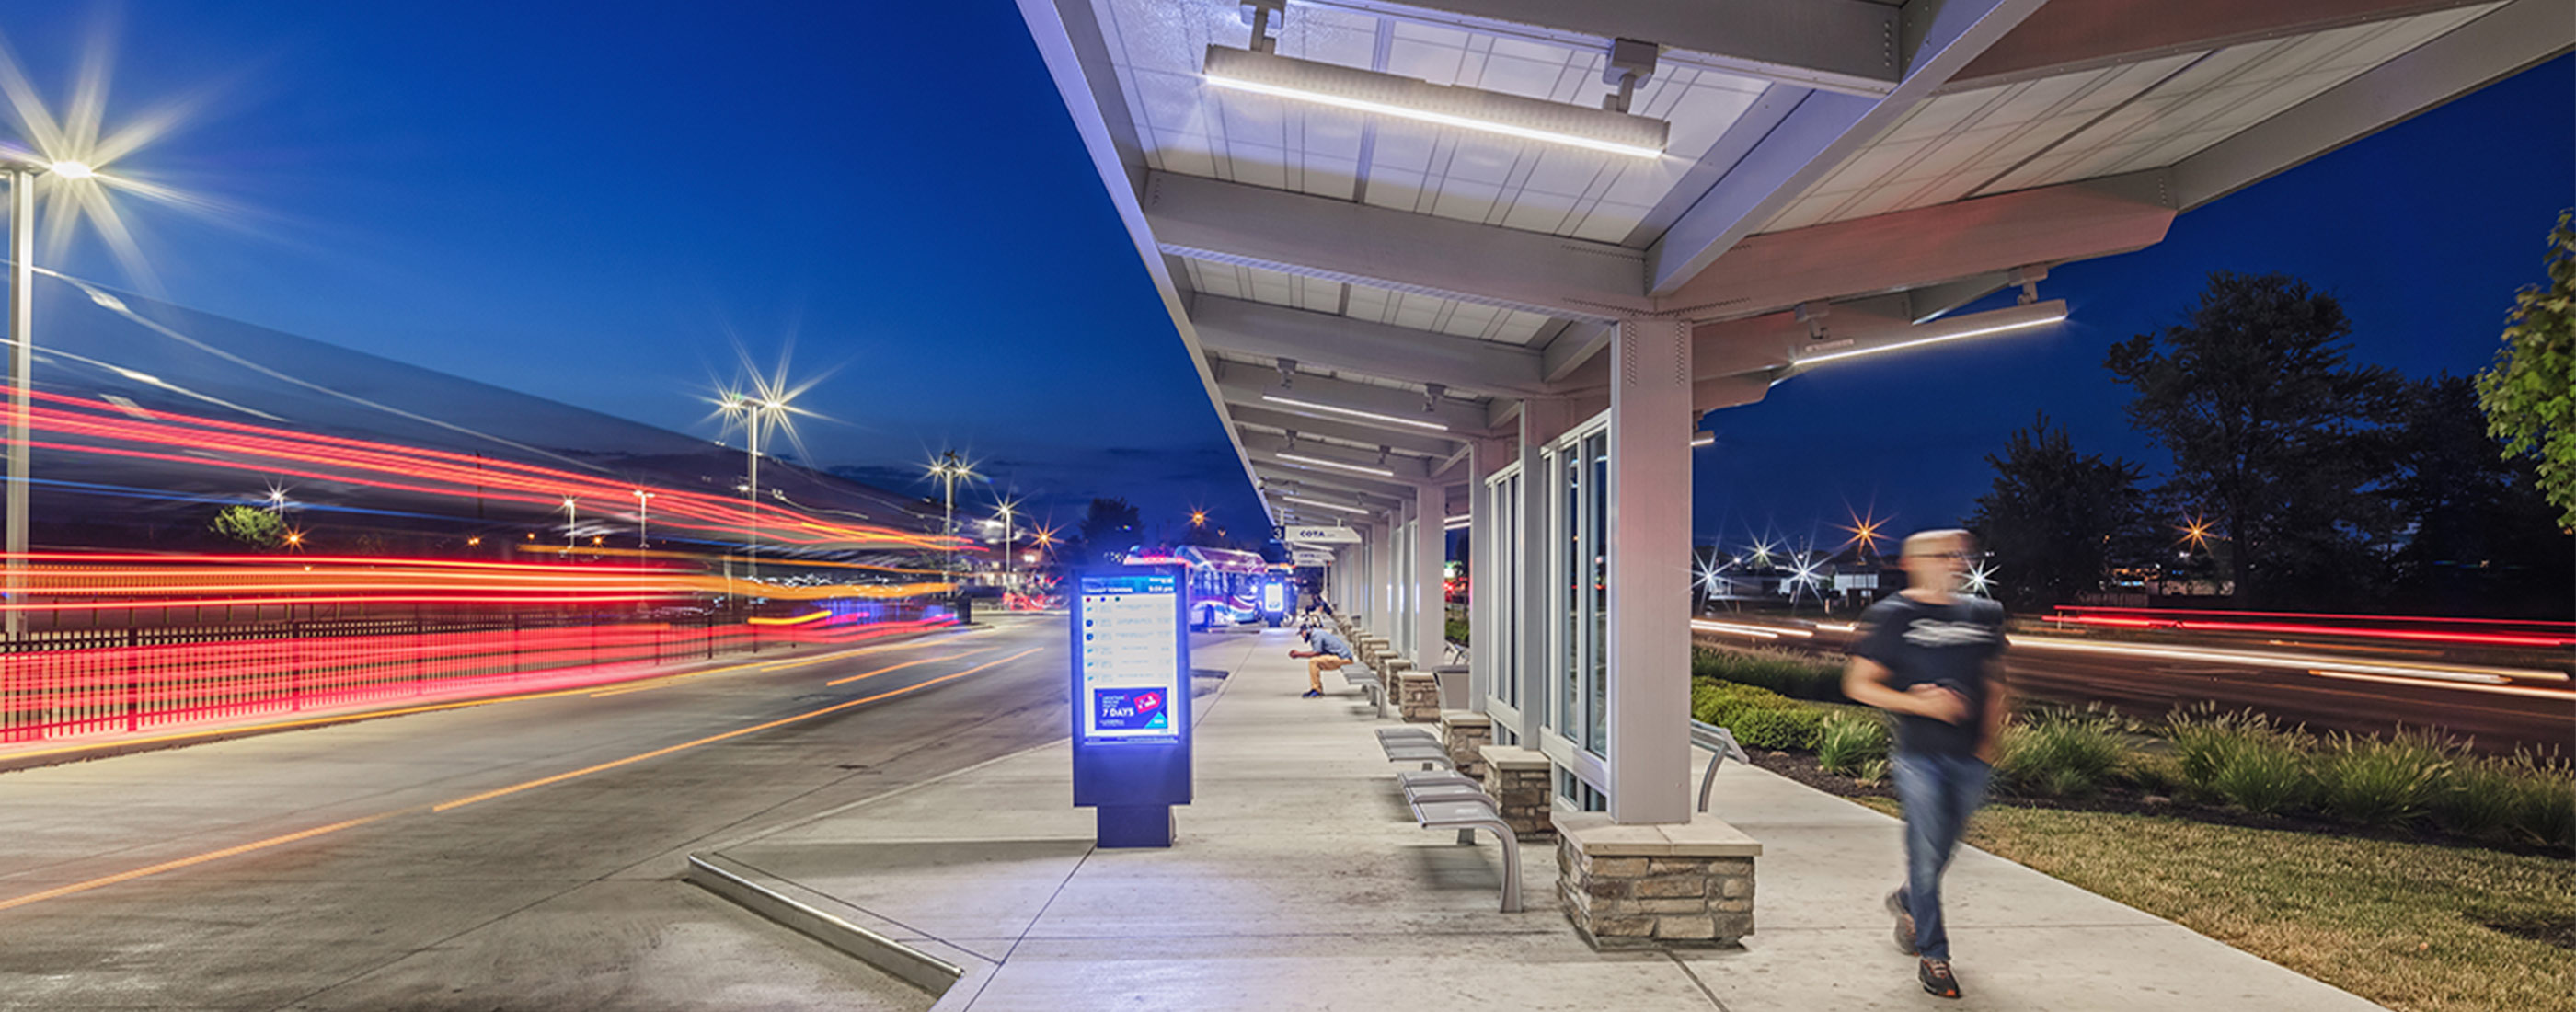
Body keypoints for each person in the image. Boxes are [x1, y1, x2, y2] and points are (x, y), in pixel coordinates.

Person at [1839, 529, 2009, 1000]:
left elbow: (1995, 682)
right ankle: (1935, 955)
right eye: (1943, 555)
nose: (1956, 562)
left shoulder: (1984, 613)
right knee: (1924, 847)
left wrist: (1989, 745)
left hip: (1970, 757)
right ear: (1914, 562)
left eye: (1962, 554)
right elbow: (1859, 684)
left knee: (1941, 850)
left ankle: (1909, 900)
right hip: (1919, 756)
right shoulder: (1894, 617)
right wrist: (1921, 704)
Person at [1287, 626, 1354, 698]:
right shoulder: (1317, 633)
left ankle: (1316, 690)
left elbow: (1316, 653)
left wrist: (1299, 654)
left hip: (1343, 659)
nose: (1302, 637)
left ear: (1306, 630)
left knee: (1314, 661)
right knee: (1315, 662)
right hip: (1341, 657)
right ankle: (1316, 688)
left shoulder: (1316, 635)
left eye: (1302, 634)